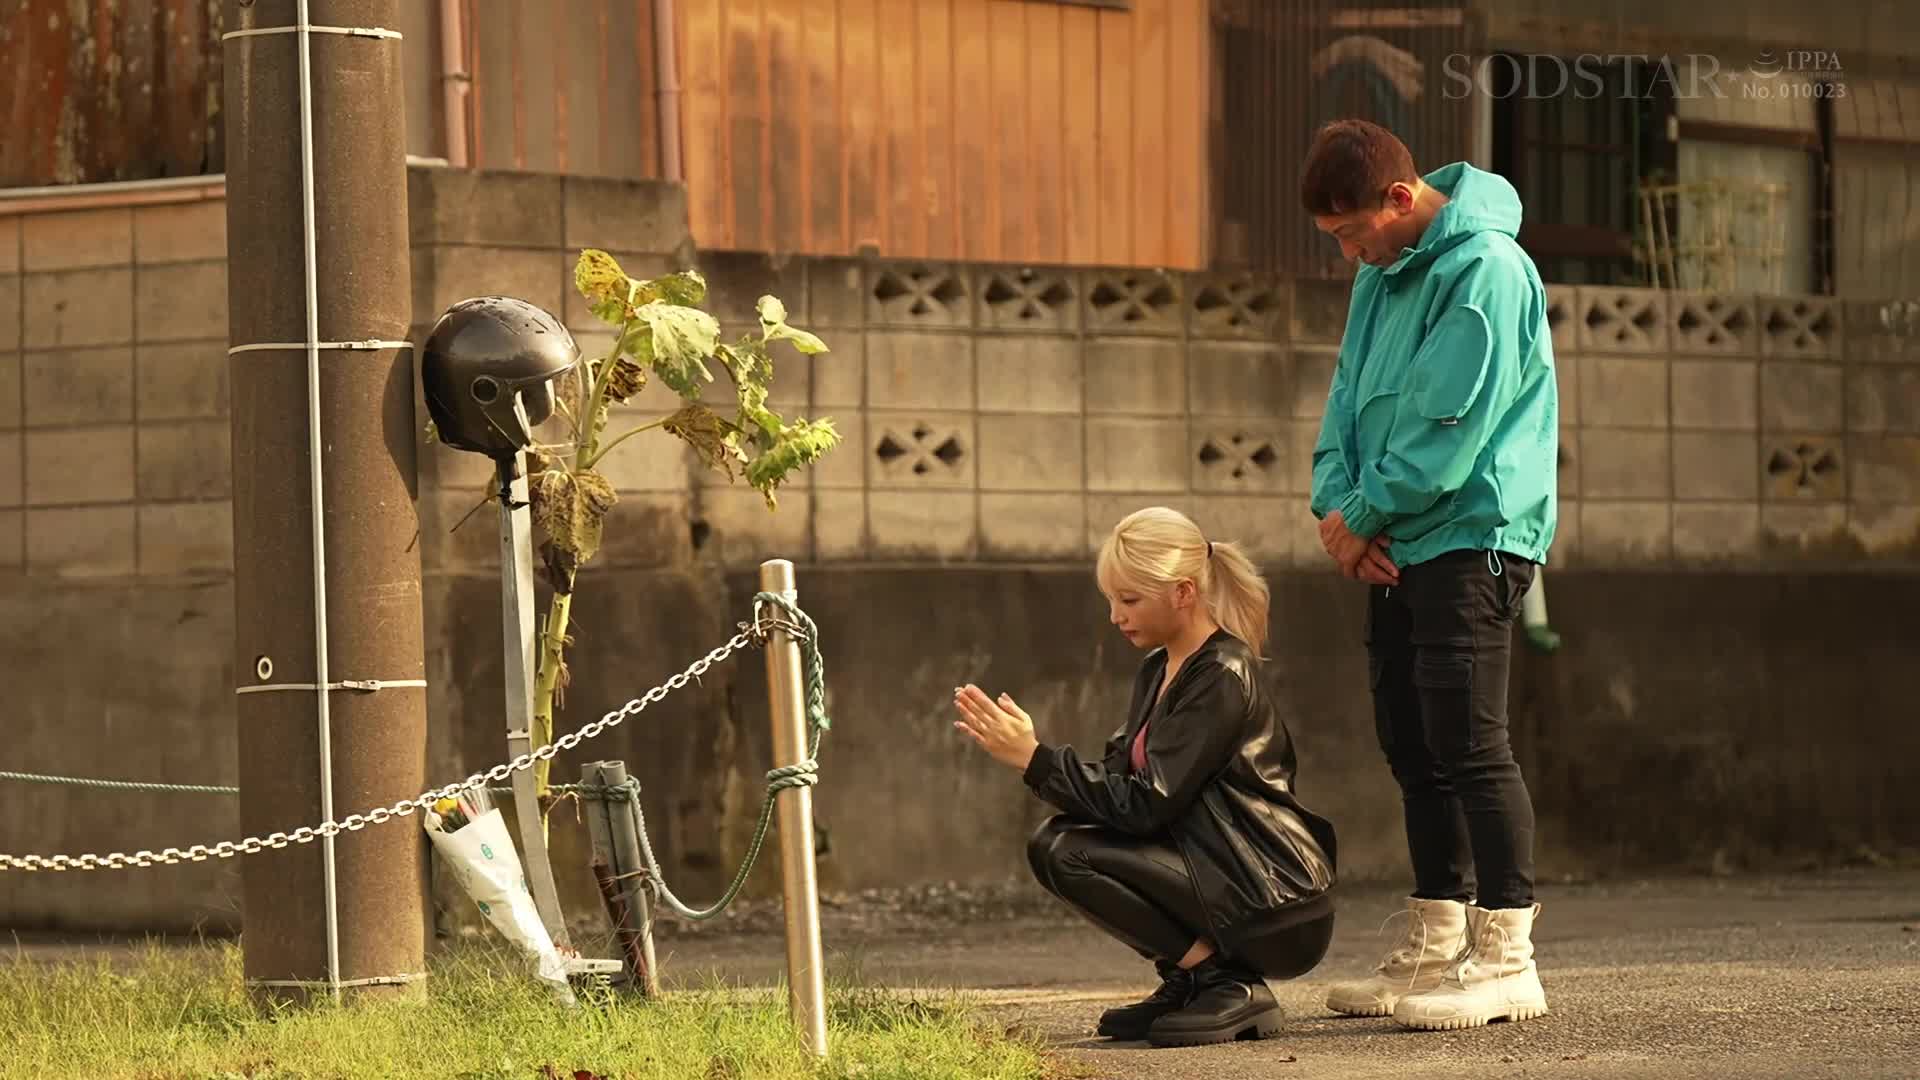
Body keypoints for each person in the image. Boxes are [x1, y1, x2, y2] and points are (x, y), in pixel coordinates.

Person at [1300, 118, 1559, 1031]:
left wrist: (1357, 517)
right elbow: (1342, 407)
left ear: (1401, 200)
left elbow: (1447, 432)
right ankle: (1437, 943)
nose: (1350, 256)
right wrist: (1335, 513)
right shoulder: (1382, 275)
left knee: (1470, 741)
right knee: (1412, 743)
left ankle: (1507, 957)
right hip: (1394, 539)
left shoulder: (1485, 268)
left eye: (1351, 233)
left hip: (1473, 531)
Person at [951, 506, 1338, 1048]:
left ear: (1183, 592)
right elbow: (1117, 784)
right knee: (1059, 843)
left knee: (1065, 850)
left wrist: (1036, 759)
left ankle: (1223, 982)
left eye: (1129, 600)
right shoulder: (1159, 669)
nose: (1115, 616)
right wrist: (1030, 754)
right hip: (1221, 878)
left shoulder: (1222, 673)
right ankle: (1194, 978)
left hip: (1273, 896)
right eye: (1111, 599)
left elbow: (1143, 806)